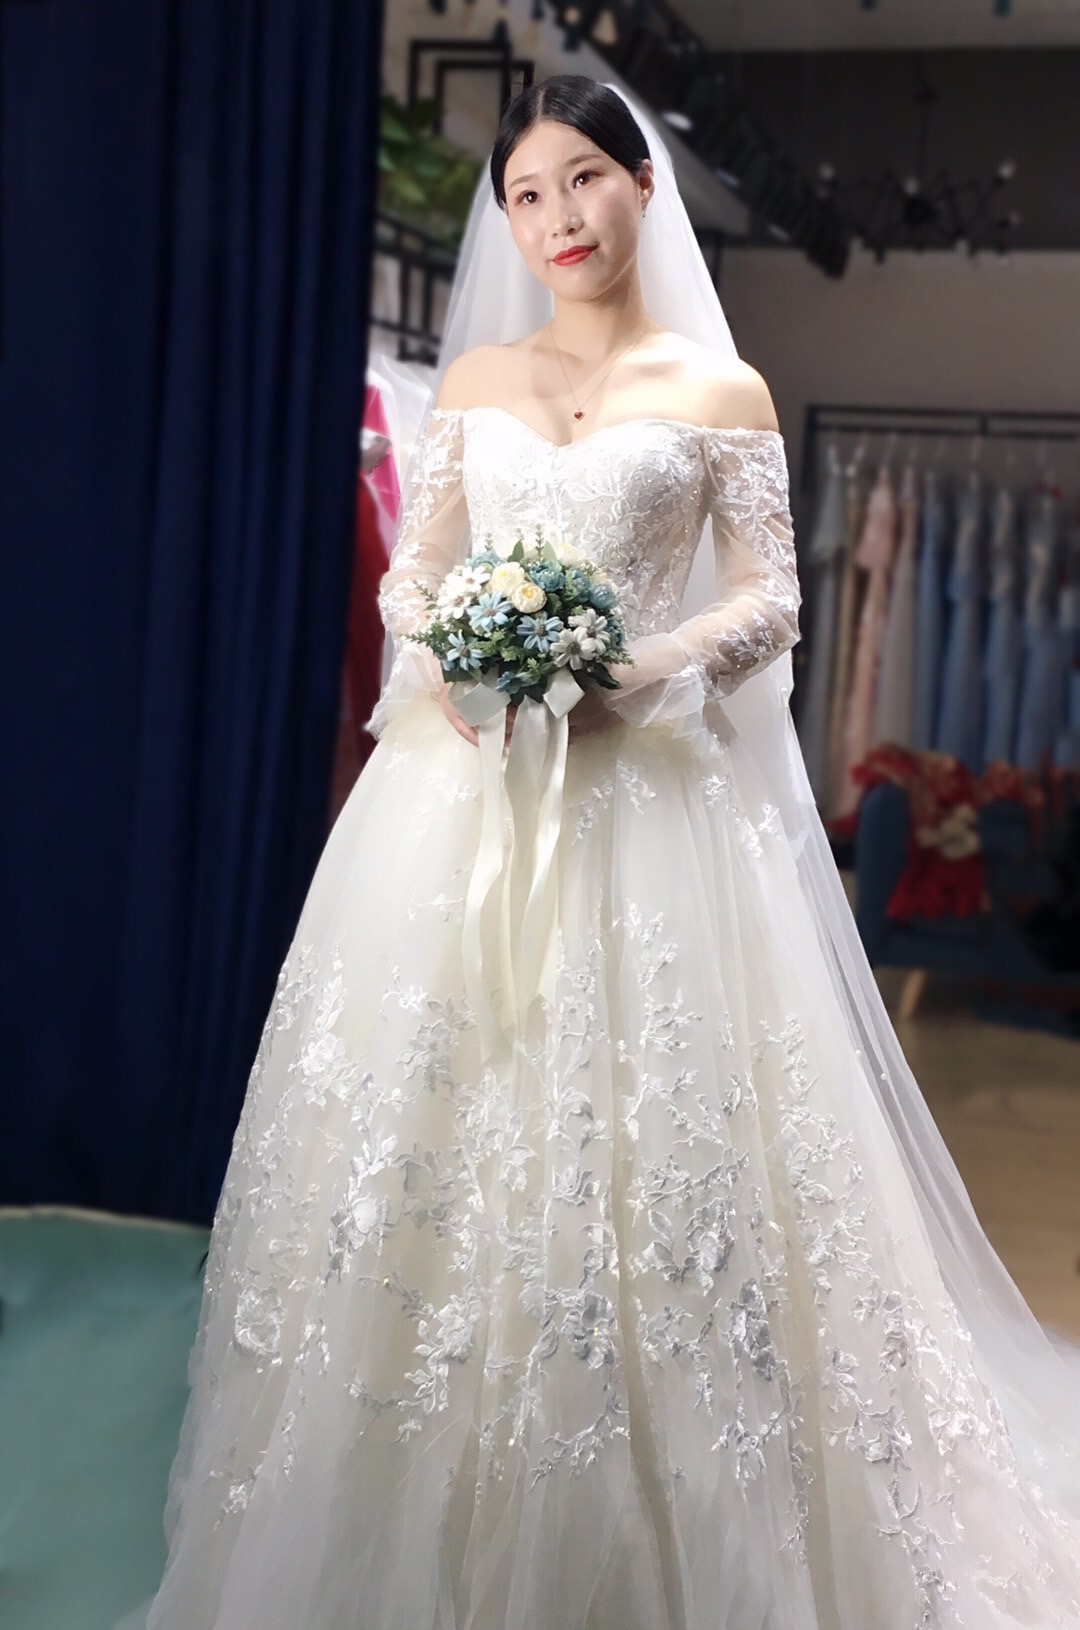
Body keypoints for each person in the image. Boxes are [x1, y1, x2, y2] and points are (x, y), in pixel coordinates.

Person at [134, 74, 1080, 1630]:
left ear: (643, 185)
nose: (558, 217)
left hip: (653, 807)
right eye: (526, 195)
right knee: (428, 1136)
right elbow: (415, 575)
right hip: (461, 800)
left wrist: (651, 663)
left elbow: (773, 596)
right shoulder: (477, 381)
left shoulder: (720, 389)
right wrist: (457, 656)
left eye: (584, 179)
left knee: (672, 1166)